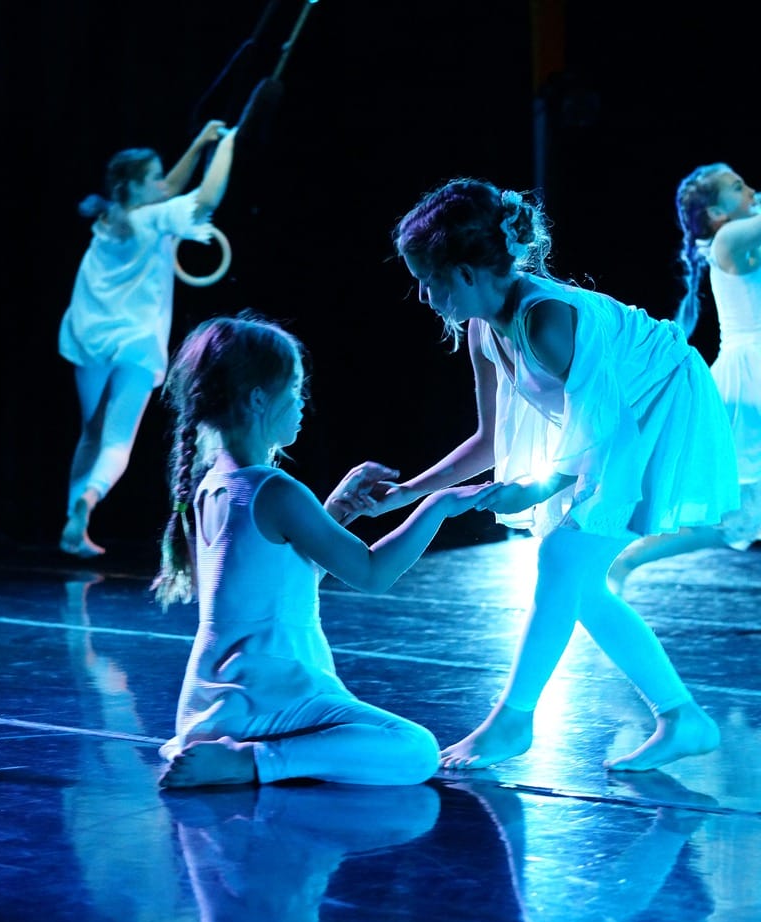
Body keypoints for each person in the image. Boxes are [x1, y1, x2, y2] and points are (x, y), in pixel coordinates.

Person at [365, 176, 740, 774]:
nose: (425, 297)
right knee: (582, 582)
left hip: (660, 405)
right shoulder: (484, 329)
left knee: (564, 559)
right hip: (617, 423)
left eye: (428, 282)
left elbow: (610, 439)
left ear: (465, 273)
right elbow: (488, 441)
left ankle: (514, 719)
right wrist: (407, 492)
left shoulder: (547, 322)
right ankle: (682, 717)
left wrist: (540, 487)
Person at [151, 310, 499, 790]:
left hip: (215, 702)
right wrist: (436, 507)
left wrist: (332, 511)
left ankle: (240, 753)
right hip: (270, 697)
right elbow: (373, 573)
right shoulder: (273, 489)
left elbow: (280, 580)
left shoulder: (214, 486)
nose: (301, 404)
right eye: (294, 391)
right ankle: (252, 762)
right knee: (416, 750)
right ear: (257, 399)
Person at [58, 117, 239, 558]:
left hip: (90, 336)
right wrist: (227, 146)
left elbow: (164, 191)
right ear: (136, 186)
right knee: (117, 439)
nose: (164, 183)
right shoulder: (156, 219)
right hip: (136, 344)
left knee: (91, 432)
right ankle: (90, 496)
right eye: (155, 178)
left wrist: (198, 146)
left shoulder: (110, 217)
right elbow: (205, 198)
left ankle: (71, 524)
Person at [608, 163, 761, 593]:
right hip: (750, 381)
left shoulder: (740, 238)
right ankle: (622, 556)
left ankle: (628, 558)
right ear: (715, 214)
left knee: (737, 516)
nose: (750, 189)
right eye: (738, 186)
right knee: (733, 512)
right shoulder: (729, 237)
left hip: (748, 377)